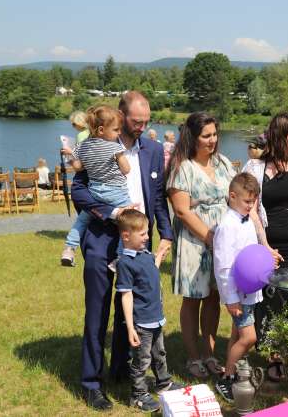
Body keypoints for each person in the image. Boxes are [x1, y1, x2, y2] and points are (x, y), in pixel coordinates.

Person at [71, 91, 173, 411]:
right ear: (120, 114)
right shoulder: (97, 146)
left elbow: (156, 197)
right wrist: (110, 213)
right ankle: (91, 383)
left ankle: (119, 371)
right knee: (98, 309)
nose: (141, 126)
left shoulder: (155, 150)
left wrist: (166, 233)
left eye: (146, 121)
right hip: (102, 237)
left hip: (139, 243)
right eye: (135, 121)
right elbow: (78, 191)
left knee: (133, 308)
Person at [243, 113, 288, 381]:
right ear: (281, 134)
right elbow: (250, 210)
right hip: (269, 245)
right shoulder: (255, 167)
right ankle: (275, 356)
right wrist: (265, 246)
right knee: (272, 302)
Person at [167, 112, 236, 379]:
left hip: (222, 239)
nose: (212, 140)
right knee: (193, 298)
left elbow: (236, 195)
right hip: (195, 240)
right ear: (192, 138)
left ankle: (209, 352)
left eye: (214, 134)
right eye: (206, 136)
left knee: (214, 296)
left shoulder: (223, 163)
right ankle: (193, 356)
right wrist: (209, 237)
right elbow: (182, 211)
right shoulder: (182, 167)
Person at [115, 209, 183, 412]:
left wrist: (159, 256)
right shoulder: (126, 263)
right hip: (142, 322)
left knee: (159, 353)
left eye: (147, 233)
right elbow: (126, 296)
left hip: (156, 318)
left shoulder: (144, 255)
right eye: (142, 234)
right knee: (141, 360)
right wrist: (130, 327)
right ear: (126, 236)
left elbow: (151, 270)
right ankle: (138, 394)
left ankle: (164, 383)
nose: (147, 237)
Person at [212, 173, 263, 403]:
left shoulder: (247, 220)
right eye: (247, 202)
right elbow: (223, 266)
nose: (251, 206)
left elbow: (251, 254)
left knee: (236, 335)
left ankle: (229, 372)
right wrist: (230, 298)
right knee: (249, 337)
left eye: (253, 202)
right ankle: (228, 376)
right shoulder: (227, 226)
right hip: (237, 294)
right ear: (232, 196)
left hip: (250, 291)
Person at [61, 105, 132, 268]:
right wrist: (120, 157)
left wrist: (70, 156)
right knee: (127, 222)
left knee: (82, 220)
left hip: (95, 191)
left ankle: (69, 249)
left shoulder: (82, 146)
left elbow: (78, 167)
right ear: (101, 130)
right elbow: (126, 169)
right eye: (116, 130)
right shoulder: (115, 147)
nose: (119, 133)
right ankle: (120, 258)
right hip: (116, 192)